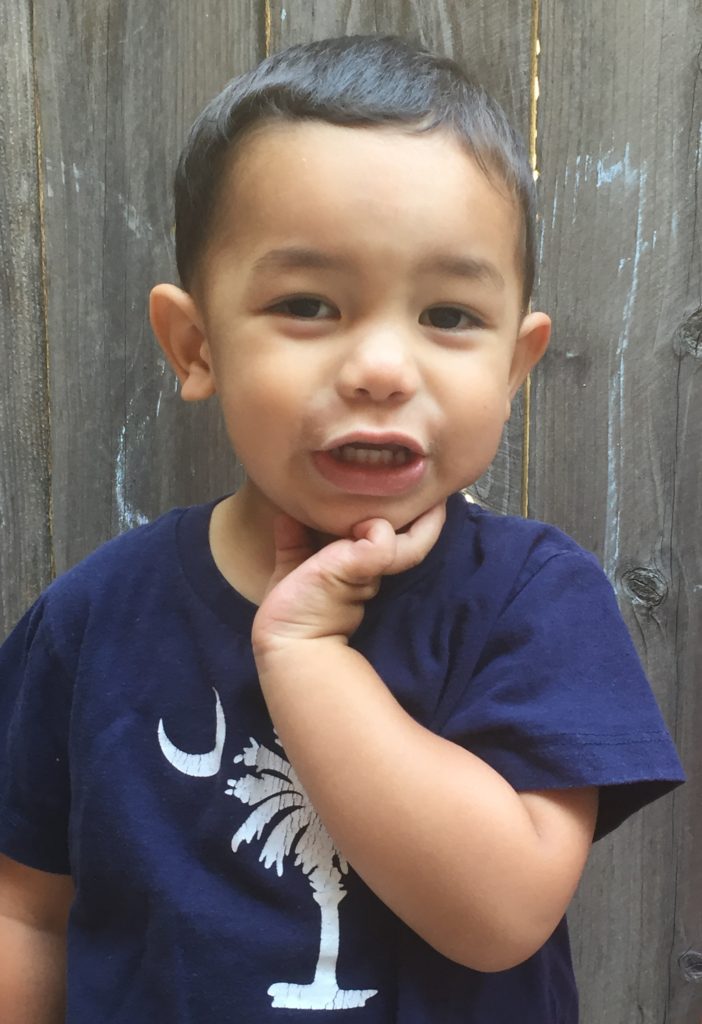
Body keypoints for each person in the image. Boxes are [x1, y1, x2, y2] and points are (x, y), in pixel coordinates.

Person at [0, 34, 684, 1024]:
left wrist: (304, 653)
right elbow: (27, 910)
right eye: (309, 304)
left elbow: (500, 913)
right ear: (195, 347)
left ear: (514, 364)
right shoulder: (91, 621)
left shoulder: (535, 601)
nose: (380, 366)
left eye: (449, 315)